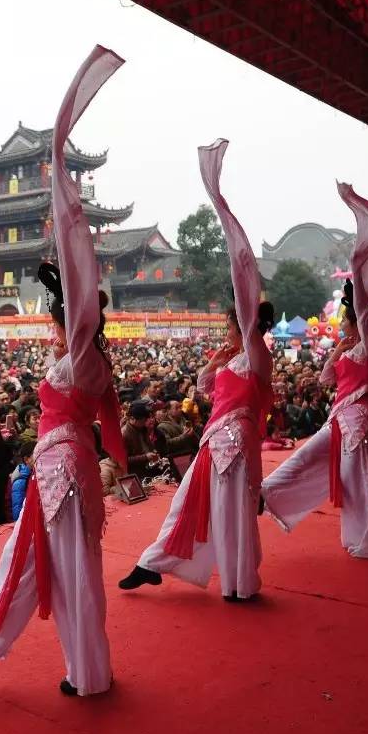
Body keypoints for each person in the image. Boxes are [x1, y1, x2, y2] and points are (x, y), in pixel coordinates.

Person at [0, 46, 129, 697]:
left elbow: (79, 318)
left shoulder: (78, 356)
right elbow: (113, 421)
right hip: (67, 470)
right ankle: (62, 665)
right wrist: (121, 466)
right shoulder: (90, 362)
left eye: (56, 310)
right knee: (56, 566)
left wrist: (67, 210)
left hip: (61, 472)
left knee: (43, 565)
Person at [119, 139, 273, 601]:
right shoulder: (232, 359)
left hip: (236, 444)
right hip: (214, 439)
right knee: (189, 504)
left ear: (243, 325)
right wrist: (216, 356)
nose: (229, 331)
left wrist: (234, 244)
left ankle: (240, 584)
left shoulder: (259, 356)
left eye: (233, 325)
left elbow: (247, 320)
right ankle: (153, 562)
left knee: (230, 512)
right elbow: (204, 384)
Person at [262, 185, 368, 559]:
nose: (345, 325)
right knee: (302, 458)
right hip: (338, 418)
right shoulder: (348, 347)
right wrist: (336, 350)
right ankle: (267, 494)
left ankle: (365, 543)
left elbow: (364, 319)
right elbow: (324, 380)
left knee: (358, 483)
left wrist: (357, 290)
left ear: (355, 322)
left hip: (361, 420)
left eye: (347, 321)